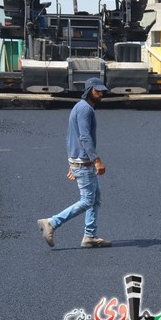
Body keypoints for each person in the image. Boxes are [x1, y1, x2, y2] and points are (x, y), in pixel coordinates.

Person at [37, 77, 112, 248]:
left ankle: (90, 236)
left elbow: (70, 136)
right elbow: (83, 137)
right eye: (96, 91)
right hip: (84, 163)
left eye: (101, 91)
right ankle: (52, 222)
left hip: (80, 161)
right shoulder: (85, 109)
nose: (100, 94)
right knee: (87, 200)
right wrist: (97, 160)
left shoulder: (80, 107)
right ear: (88, 90)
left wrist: (72, 161)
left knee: (95, 198)